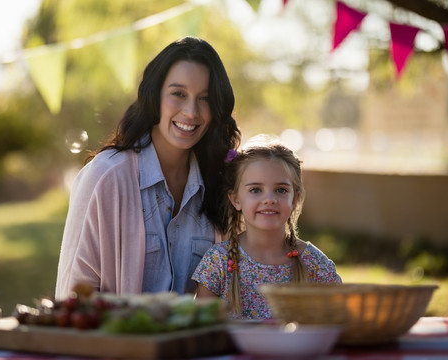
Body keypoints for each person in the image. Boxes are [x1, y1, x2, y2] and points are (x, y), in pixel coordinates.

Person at [55, 36, 241, 300]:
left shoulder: (221, 182)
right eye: (178, 94)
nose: (191, 111)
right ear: (155, 96)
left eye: (205, 98)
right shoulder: (105, 177)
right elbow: (74, 297)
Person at [192, 136, 341, 319]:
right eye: (255, 190)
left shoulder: (315, 264)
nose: (269, 199)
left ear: (294, 199)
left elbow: (339, 320)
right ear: (236, 199)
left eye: (281, 190)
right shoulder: (217, 262)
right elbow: (201, 332)